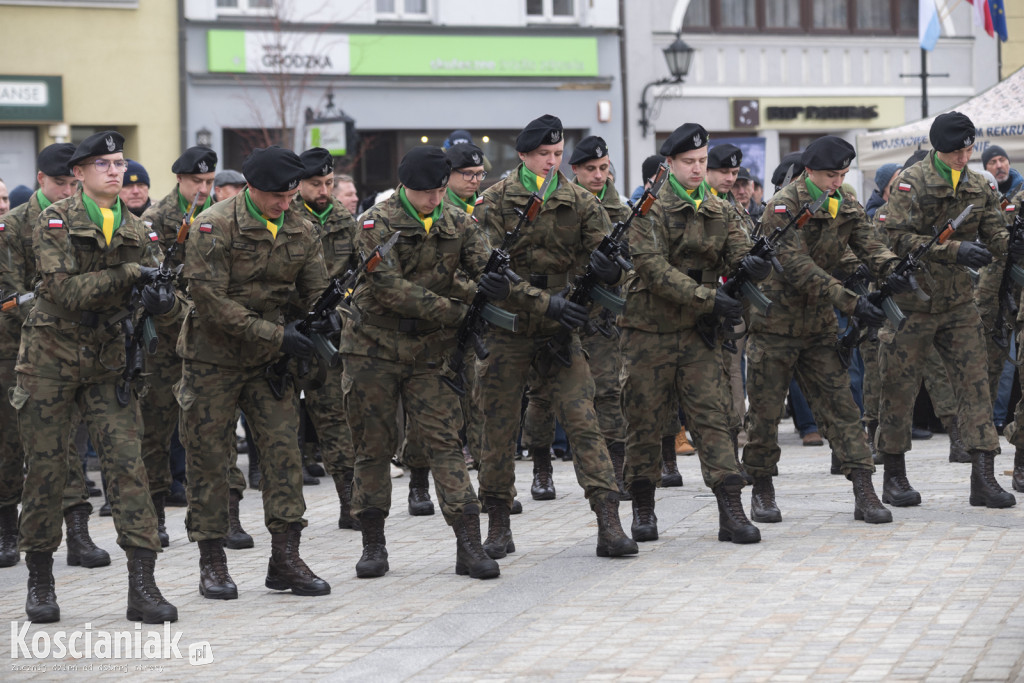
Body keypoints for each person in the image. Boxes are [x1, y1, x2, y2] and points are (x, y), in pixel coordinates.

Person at [13, 130, 180, 623]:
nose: (115, 170)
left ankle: (143, 586)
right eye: (104, 163)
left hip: (110, 359)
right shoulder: (55, 221)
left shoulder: (138, 229)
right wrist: (132, 279)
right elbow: (65, 290)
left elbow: (160, 292)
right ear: (80, 174)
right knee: (47, 472)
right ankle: (40, 582)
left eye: (120, 161)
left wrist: (165, 303)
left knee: (129, 469)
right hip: (51, 358)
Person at [474, 114, 638, 559]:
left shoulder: (579, 200)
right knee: (499, 430)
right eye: (543, 155)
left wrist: (606, 271)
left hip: (562, 330)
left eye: (558, 154)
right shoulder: (494, 202)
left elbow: (608, 253)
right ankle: (498, 524)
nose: (552, 162)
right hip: (510, 330)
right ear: (523, 156)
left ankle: (609, 521)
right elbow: (488, 272)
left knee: (585, 422)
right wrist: (549, 303)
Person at [341, 146, 503, 580]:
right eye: (424, 193)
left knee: (446, 442)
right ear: (405, 187)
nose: (433, 200)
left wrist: (511, 290)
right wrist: (457, 312)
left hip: (430, 352)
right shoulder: (375, 224)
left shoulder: (457, 219)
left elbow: (482, 266)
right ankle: (373, 542)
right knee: (373, 445)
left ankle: (468, 542)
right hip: (372, 348)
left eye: (437, 191)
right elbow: (390, 288)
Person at [177, 145, 331, 600]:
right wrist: (278, 335)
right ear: (251, 189)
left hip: (269, 365)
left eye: (290, 195)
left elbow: (316, 288)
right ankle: (212, 561)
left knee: (284, 456)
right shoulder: (214, 225)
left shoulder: (302, 227)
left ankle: (285, 558)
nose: (285, 204)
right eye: (275, 197)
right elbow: (210, 301)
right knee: (209, 459)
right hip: (212, 359)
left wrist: (324, 316)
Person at [743, 134, 900, 526]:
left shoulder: (844, 199)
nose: (839, 181)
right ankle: (762, 489)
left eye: (844, 174)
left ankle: (864, 489)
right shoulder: (784, 206)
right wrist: (851, 301)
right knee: (763, 416)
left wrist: (893, 269)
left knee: (843, 409)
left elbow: (868, 242)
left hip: (818, 327)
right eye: (832, 175)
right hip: (775, 324)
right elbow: (797, 267)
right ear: (810, 171)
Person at [620, 123, 767, 544]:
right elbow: (653, 269)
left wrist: (750, 267)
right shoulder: (649, 209)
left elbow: (738, 252)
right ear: (670, 164)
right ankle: (643, 507)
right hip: (649, 330)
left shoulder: (720, 209)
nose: (698, 170)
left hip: (697, 333)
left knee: (713, 418)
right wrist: (709, 297)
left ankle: (731, 510)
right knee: (645, 421)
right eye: (689, 163)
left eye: (703, 162)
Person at [877, 112, 1019, 509]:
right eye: (957, 150)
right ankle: (894, 476)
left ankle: (983, 478)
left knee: (976, 386)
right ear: (939, 148)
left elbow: (995, 231)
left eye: (968, 149)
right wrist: (955, 250)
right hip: (912, 303)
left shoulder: (977, 184)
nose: (964, 156)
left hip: (958, 303)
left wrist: (1008, 243)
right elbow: (897, 237)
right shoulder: (912, 182)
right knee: (899, 390)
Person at [0, 143, 111, 572]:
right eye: (62, 182)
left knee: (70, 446)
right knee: (13, 444)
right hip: (19, 353)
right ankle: (9, 529)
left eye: (73, 181)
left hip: (79, 350)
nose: (69, 188)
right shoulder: (13, 227)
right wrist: (58, 317)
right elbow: (9, 293)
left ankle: (78, 534)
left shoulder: (85, 218)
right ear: (42, 179)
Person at [143, 146, 253, 550]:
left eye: (209, 183)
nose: (204, 190)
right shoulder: (156, 220)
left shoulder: (225, 219)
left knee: (216, 431)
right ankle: (154, 516)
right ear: (180, 181)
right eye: (197, 183)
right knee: (154, 432)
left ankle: (229, 515)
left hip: (210, 341)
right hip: (166, 342)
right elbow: (157, 282)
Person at [521, 135, 632, 500]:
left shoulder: (622, 211)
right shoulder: (553, 202)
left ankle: (615, 471)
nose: (599, 175)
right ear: (576, 170)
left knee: (608, 392)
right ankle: (541, 465)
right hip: (556, 311)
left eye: (604, 168)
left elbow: (632, 264)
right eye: (590, 169)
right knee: (541, 394)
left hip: (599, 316)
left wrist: (613, 270)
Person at [287, 148, 359, 529]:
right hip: (284, 329)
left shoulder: (344, 220)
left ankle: (350, 503)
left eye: (330, 183)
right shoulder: (285, 214)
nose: (324, 191)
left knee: (335, 418)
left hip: (326, 333)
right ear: (298, 184)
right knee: (281, 424)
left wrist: (340, 315)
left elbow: (358, 278)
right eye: (316, 183)